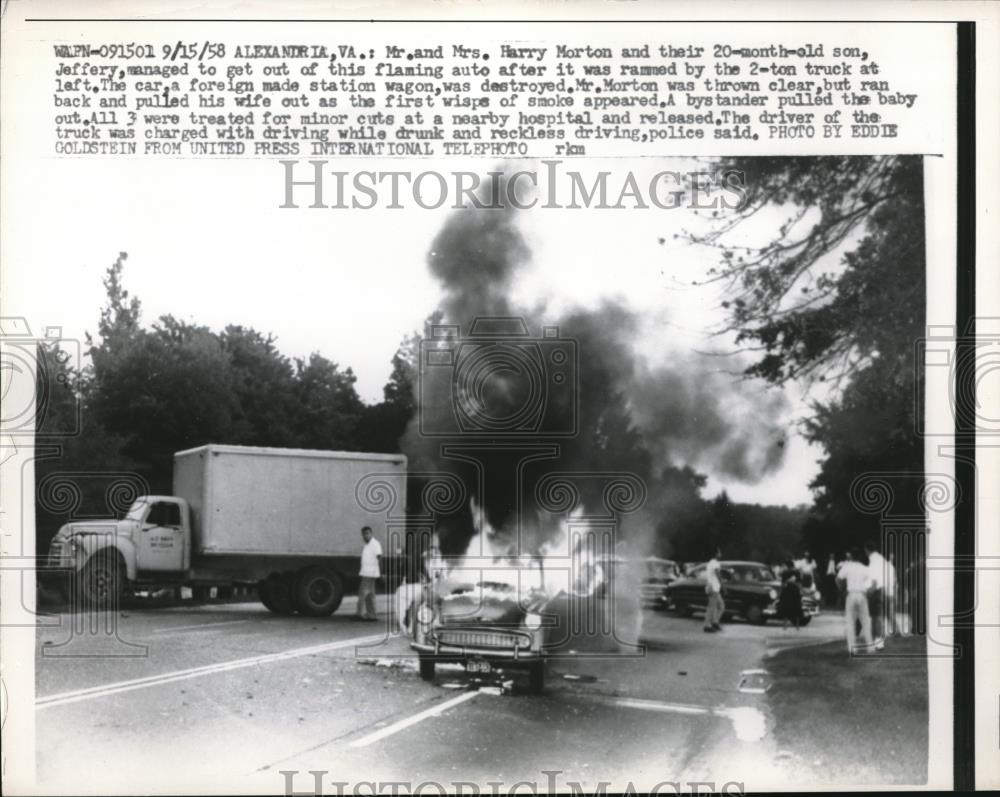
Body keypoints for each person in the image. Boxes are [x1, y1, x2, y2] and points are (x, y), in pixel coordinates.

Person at [837, 547, 873, 654]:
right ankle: (870, 646)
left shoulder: (847, 567)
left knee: (850, 622)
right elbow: (871, 582)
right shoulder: (864, 568)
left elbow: (838, 579)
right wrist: (867, 592)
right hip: (862, 594)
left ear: (851, 556)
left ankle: (852, 648)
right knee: (865, 621)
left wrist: (842, 590)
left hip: (851, 593)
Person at [355, 525, 382, 622]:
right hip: (367, 572)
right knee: (370, 595)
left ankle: (359, 614)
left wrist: (380, 572)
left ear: (371, 533)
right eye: (363, 534)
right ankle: (372, 616)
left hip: (370, 573)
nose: (365, 536)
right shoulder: (367, 545)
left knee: (362, 593)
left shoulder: (375, 544)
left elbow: (379, 557)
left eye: (367, 533)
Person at [865, 541, 888, 650]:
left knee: (876, 616)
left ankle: (878, 641)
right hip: (880, 588)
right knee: (876, 617)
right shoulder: (880, 558)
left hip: (876, 590)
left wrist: (869, 591)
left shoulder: (874, 560)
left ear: (867, 550)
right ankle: (877, 641)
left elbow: (874, 578)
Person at [703, 547, 725, 633]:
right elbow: (718, 574)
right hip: (714, 587)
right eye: (719, 552)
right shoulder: (715, 563)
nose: (720, 554)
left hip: (711, 587)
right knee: (711, 607)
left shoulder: (709, 563)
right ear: (716, 554)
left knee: (721, 606)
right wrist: (723, 584)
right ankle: (707, 625)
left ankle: (715, 622)